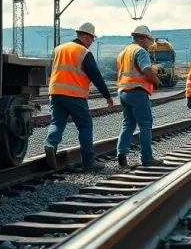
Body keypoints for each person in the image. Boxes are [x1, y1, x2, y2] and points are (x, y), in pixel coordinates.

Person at [43, 22, 115, 171]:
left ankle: (50, 145)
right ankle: (88, 162)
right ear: (86, 36)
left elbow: (51, 70)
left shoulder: (59, 49)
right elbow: (95, 75)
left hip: (55, 93)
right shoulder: (83, 52)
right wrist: (107, 96)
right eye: (92, 39)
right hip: (74, 95)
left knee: (57, 123)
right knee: (85, 125)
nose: (92, 43)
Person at [116, 25, 164, 167]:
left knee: (128, 124)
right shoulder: (140, 51)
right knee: (145, 124)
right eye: (149, 40)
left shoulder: (123, 53)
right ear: (142, 38)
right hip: (137, 91)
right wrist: (156, 81)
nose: (150, 43)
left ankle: (121, 153)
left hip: (123, 92)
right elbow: (146, 69)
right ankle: (147, 158)